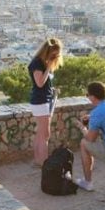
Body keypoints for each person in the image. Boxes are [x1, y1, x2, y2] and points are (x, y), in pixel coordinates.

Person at [28, 38, 63, 168]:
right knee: (45, 134)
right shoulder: (38, 63)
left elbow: (44, 84)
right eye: (54, 54)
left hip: (43, 100)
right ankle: (44, 163)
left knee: (41, 133)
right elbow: (39, 83)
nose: (55, 57)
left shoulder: (40, 62)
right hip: (40, 101)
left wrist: (51, 89)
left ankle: (38, 161)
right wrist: (48, 67)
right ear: (47, 51)